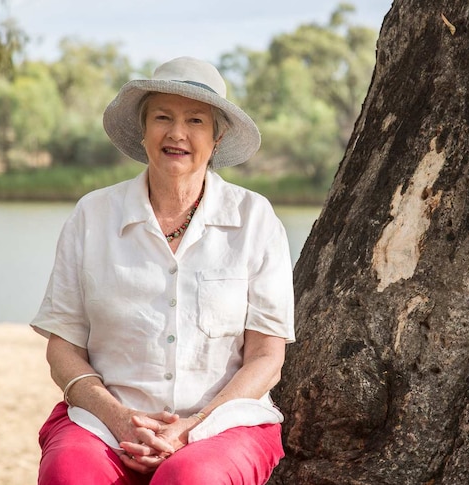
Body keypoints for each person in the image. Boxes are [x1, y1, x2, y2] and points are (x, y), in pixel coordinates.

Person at [31, 56, 295, 485]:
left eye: (195, 120)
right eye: (162, 117)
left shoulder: (255, 219)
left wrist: (192, 428)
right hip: (103, 424)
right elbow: (62, 348)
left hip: (224, 426)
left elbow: (268, 356)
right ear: (143, 128)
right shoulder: (92, 215)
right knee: (70, 472)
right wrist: (119, 419)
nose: (177, 133)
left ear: (217, 136)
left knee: (192, 477)